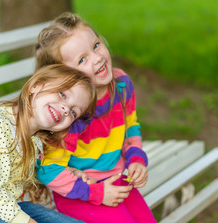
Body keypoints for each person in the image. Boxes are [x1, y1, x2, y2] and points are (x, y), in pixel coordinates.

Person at [35, 12, 157, 223]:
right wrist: (96, 193)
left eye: (96, 46)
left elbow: (130, 129)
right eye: (82, 59)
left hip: (117, 180)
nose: (98, 57)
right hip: (80, 192)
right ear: (66, 76)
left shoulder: (121, 85)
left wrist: (136, 159)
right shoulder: (72, 113)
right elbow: (49, 170)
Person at [0, 64, 97, 223]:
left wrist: (70, 171)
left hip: (6, 208)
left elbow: (23, 173)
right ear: (36, 86)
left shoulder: (35, 140)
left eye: (73, 112)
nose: (65, 109)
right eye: (62, 94)